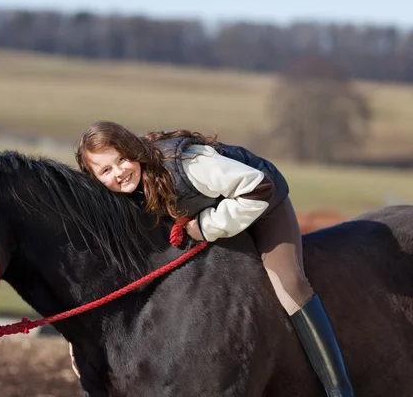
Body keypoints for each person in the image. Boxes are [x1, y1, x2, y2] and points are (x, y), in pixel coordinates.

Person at [71, 120, 354, 397]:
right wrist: (81, 340)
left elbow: (259, 189)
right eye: (106, 170)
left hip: (261, 201)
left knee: (290, 285)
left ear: (132, 149)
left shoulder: (187, 165)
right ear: (95, 180)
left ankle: (338, 388)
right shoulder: (119, 196)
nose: (119, 173)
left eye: (121, 159)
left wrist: (206, 226)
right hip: (216, 211)